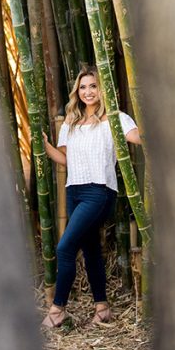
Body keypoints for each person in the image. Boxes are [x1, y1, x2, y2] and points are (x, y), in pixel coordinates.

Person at [41, 65, 142, 328]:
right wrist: (45, 147)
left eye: (93, 86)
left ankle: (57, 310)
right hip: (74, 191)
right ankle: (102, 308)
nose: (88, 92)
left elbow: (138, 138)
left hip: (99, 191)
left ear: (102, 89)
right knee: (91, 250)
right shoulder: (71, 123)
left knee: (64, 248)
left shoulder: (116, 119)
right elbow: (65, 160)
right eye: (83, 87)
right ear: (78, 91)